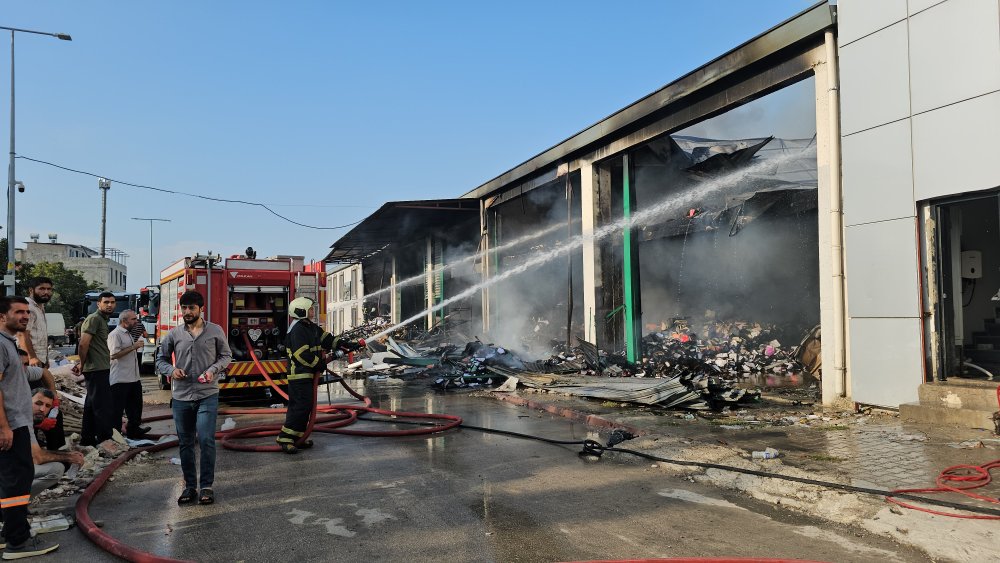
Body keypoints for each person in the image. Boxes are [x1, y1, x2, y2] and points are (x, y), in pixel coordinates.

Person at [156, 291, 231, 506]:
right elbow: (160, 359)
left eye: (192, 308)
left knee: (206, 440)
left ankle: (206, 486)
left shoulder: (215, 331)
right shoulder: (174, 334)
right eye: (184, 308)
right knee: (186, 443)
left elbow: (226, 356)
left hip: (207, 395)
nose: (187, 312)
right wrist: (171, 370)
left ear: (201, 309)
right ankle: (190, 486)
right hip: (181, 397)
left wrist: (213, 370)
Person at [0, 296, 59, 558]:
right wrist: (4, 427)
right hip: (11, 425)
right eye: (19, 312)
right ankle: (18, 543)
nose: (25, 316)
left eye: (27, 312)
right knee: (17, 482)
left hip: (15, 423)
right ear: (3, 316)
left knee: (12, 480)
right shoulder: (1, 345)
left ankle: (9, 534)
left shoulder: (10, 343)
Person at [277, 296, 363, 454]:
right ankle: (285, 438)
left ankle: (298, 438)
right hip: (299, 376)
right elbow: (302, 355)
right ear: (301, 311)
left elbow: (327, 340)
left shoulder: (310, 327)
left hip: (307, 375)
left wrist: (347, 344)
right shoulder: (297, 330)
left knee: (306, 407)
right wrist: (320, 364)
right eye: (309, 309)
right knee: (300, 407)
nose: (312, 311)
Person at [73, 292, 115, 446]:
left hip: (100, 368)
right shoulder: (94, 319)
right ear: (98, 304)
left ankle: (87, 439)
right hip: (96, 369)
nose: (109, 305)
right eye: (106, 302)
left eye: (112, 302)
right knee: (102, 407)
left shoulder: (102, 320)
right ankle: (105, 440)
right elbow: (83, 344)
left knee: (92, 406)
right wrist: (81, 364)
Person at [28, 389, 84, 496]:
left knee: (58, 466)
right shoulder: (20, 421)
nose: (42, 409)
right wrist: (68, 457)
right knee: (55, 470)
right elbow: (36, 457)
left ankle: (16, 505)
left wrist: (69, 455)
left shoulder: (29, 421)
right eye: (38, 403)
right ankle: (11, 505)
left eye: (47, 406)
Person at [108, 310, 150, 439]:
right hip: (120, 378)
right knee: (117, 409)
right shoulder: (115, 335)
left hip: (133, 378)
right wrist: (133, 347)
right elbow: (114, 355)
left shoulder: (128, 334)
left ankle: (134, 429)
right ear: (124, 321)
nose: (136, 322)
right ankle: (115, 435)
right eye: (133, 319)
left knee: (135, 406)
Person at [18, 349, 65, 451]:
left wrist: (54, 395)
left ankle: (55, 450)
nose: (23, 368)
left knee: (55, 416)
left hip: (24, 409)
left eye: (26, 364)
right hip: (11, 420)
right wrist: (37, 423)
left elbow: (45, 372)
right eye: (19, 364)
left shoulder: (25, 371)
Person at [18, 276, 53, 369]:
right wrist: (32, 357)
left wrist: (45, 359)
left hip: (40, 360)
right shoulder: (28, 307)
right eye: (41, 289)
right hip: (30, 361)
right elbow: (22, 335)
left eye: (49, 289)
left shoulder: (40, 307)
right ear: (31, 290)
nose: (46, 292)